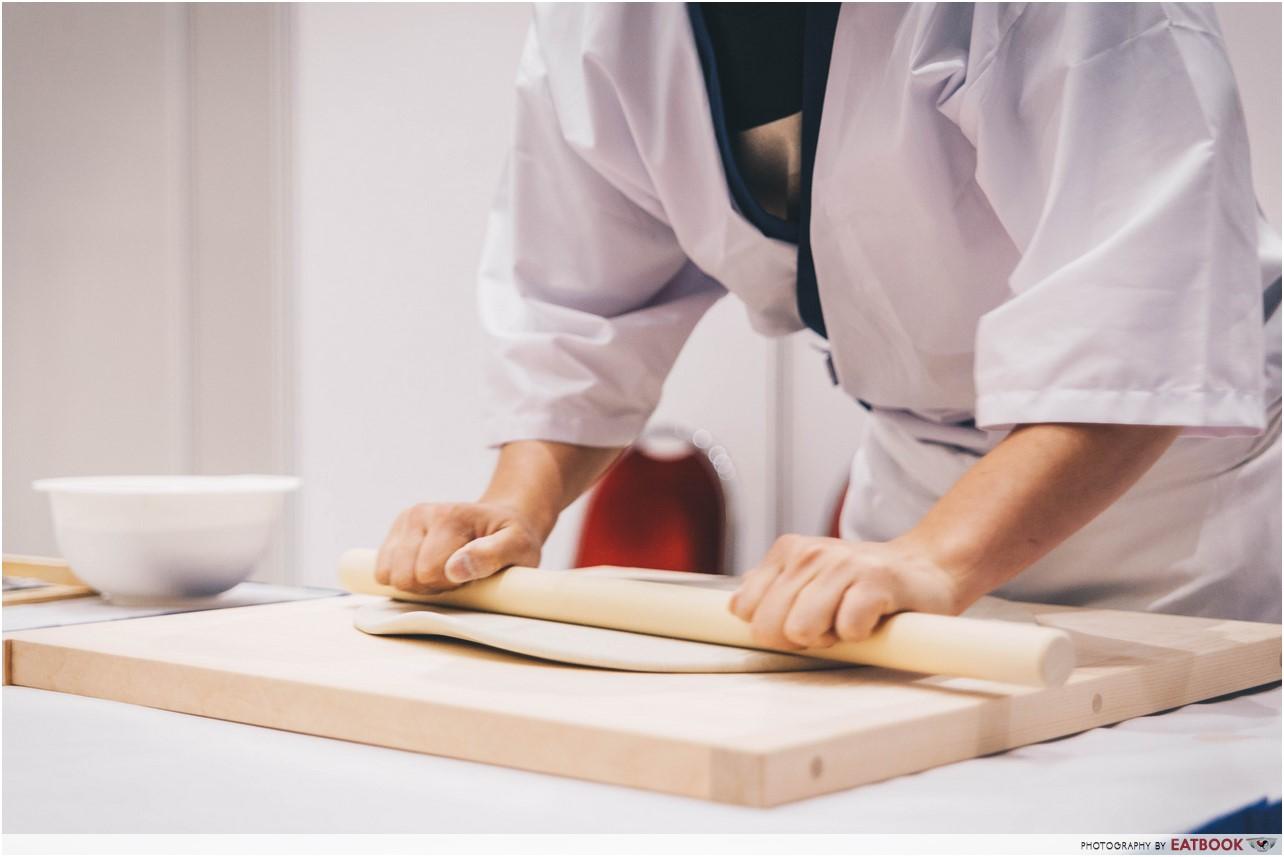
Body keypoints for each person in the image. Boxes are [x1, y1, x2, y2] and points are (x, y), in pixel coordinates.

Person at [377, 3, 1282, 648]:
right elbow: (577, 308)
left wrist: (936, 561)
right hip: (913, 490)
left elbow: (1137, 328)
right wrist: (515, 505)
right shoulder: (603, 23)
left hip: (1178, 499)